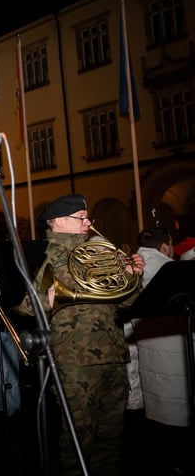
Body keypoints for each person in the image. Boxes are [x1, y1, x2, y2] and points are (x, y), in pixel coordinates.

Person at [15, 193, 144, 476]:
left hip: (112, 353)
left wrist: (133, 276)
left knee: (111, 440)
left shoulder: (100, 251)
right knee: (77, 441)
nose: (88, 223)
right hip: (75, 360)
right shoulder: (44, 257)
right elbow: (25, 306)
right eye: (81, 218)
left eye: (88, 218)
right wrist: (48, 296)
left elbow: (125, 302)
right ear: (60, 221)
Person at [133, 227, 192, 474]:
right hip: (178, 361)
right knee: (181, 420)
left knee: (158, 420)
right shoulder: (175, 272)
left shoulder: (133, 270)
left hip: (149, 362)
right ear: (166, 246)